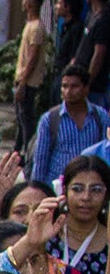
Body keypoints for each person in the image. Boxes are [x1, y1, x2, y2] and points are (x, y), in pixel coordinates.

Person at [44, 151, 110, 274]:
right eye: (78, 189)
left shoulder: (108, 242)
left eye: (96, 190)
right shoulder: (48, 237)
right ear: (64, 191)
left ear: (107, 194)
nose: (86, 198)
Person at [30, 61, 110, 189]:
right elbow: (40, 161)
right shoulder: (50, 119)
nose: (68, 91)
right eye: (64, 86)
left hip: (88, 186)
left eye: (74, 86)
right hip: (57, 186)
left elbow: (106, 151)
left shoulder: (100, 116)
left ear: (86, 89)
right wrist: (37, 190)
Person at [13, 0, 52, 154]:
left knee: (26, 120)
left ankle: (30, 153)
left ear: (31, 2)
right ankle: (18, 151)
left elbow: (33, 58)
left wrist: (23, 83)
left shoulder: (36, 28)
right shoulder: (30, 25)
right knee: (21, 120)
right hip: (22, 79)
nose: (22, 1)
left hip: (28, 81)